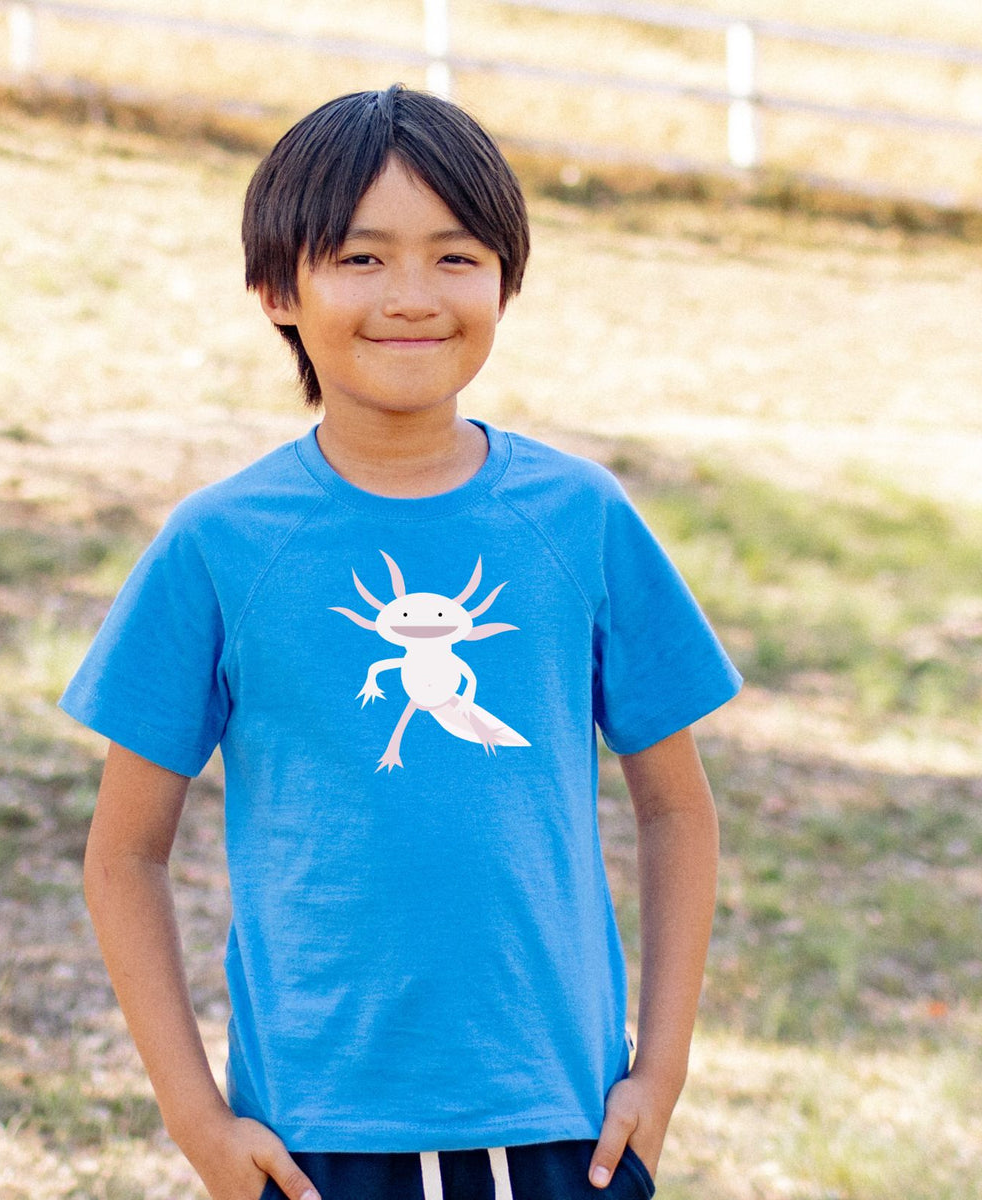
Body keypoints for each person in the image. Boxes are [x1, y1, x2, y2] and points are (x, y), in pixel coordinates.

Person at [61, 84, 741, 1200]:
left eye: (457, 256)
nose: (412, 298)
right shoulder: (220, 545)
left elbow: (676, 809)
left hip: (567, 1127)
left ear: (508, 280)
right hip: (310, 1140)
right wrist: (197, 1121)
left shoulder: (581, 518)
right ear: (278, 289)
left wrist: (657, 1074)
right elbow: (123, 853)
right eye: (362, 259)